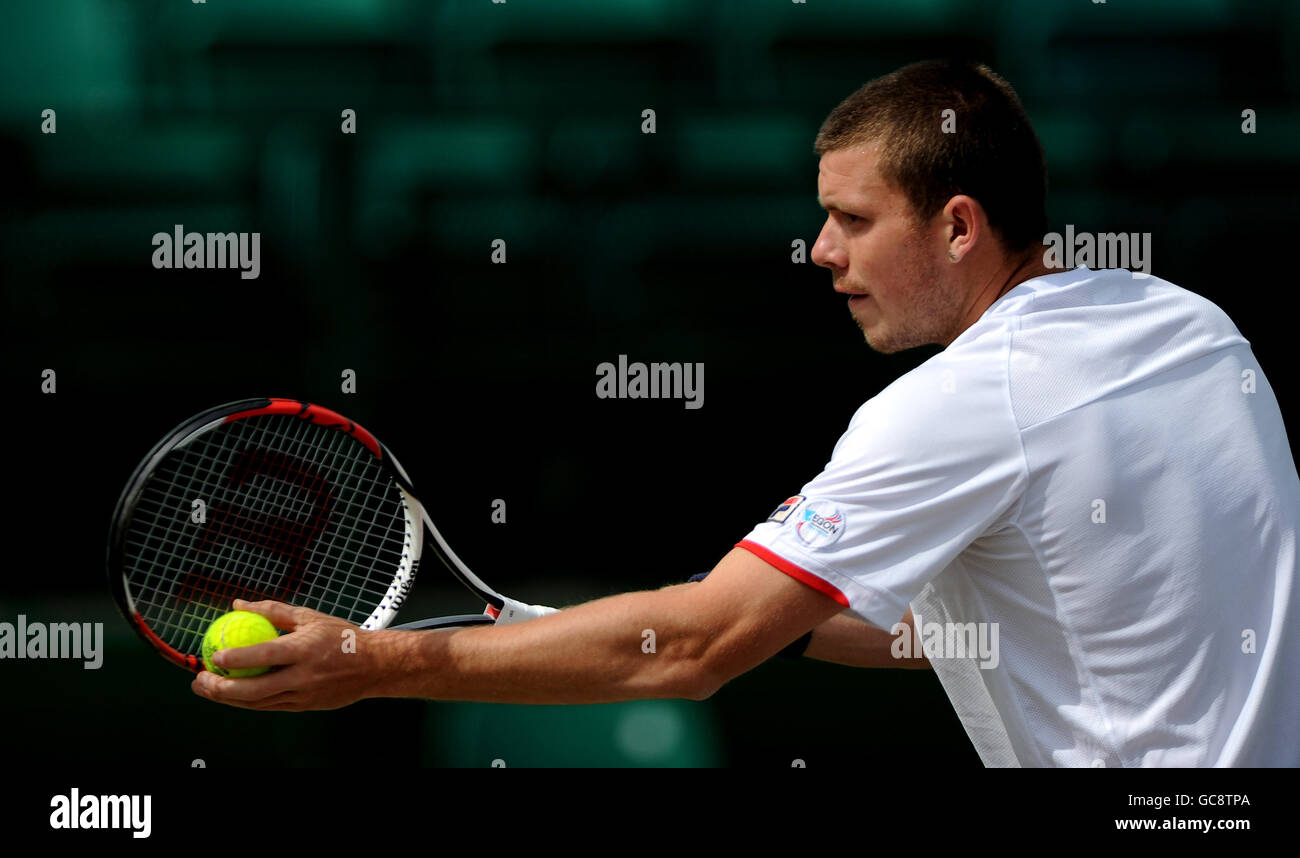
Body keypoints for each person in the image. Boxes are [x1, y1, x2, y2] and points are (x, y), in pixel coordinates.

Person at [193, 60, 1300, 767]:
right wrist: (780, 606)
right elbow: (1056, 621)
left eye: (849, 219)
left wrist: (382, 664)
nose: (820, 252)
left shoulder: (956, 406)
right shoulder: (1188, 325)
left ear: (958, 226)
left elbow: (691, 652)